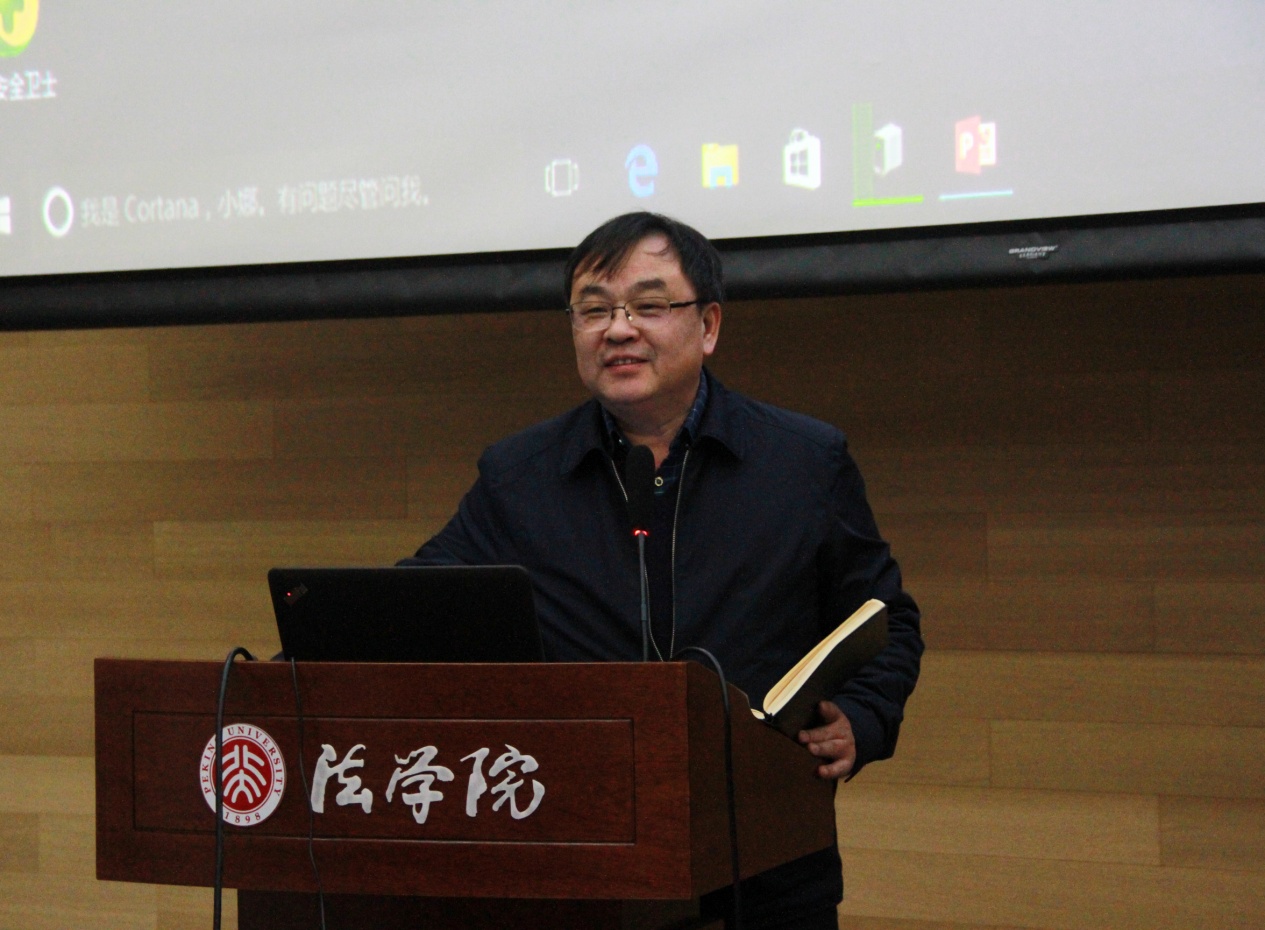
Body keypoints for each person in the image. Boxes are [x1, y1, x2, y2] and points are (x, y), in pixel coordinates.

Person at [404, 211, 923, 929]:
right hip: (583, 863)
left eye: (648, 306)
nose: (618, 330)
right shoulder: (519, 475)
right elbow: (414, 603)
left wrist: (863, 718)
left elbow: (886, 621)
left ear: (707, 325)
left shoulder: (802, 462)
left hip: (764, 866)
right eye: (593, 310)